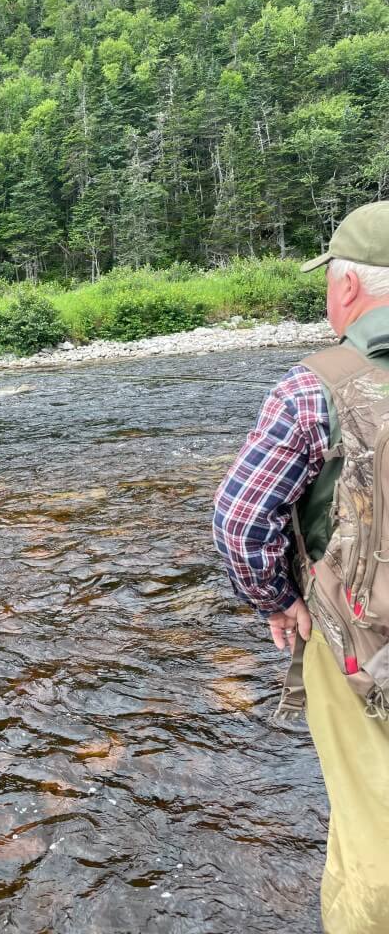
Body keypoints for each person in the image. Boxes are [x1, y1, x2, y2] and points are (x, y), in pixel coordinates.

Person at [212, 201, 389, 934]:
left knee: (371, 829)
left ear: (347, 290)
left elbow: (240, 518)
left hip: (362, 647)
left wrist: (279, 601)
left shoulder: (313, 388)